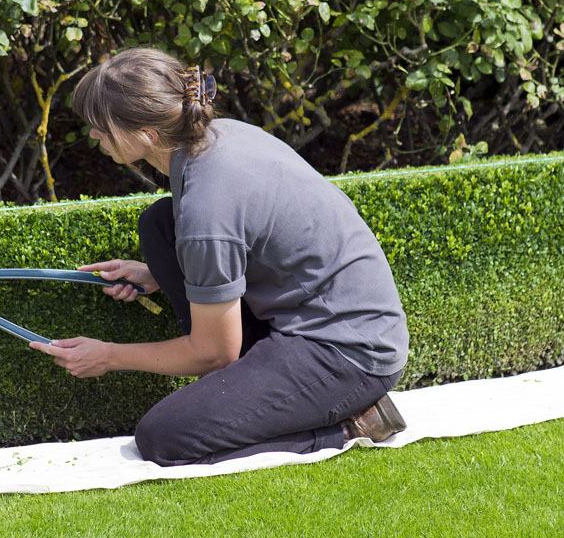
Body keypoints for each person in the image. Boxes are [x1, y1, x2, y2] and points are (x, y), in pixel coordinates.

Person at [28, 48, 409, 466]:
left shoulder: (206, 207)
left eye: (100, 127)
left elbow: (214, 354)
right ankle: (255, 396)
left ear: (147, 134)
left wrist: (109, 355)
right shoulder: (217, 136)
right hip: (324, 316)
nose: (94, 137)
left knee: (164, 438)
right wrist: (155, 273)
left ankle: (350, 424)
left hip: (348, 352)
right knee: (159, 225)